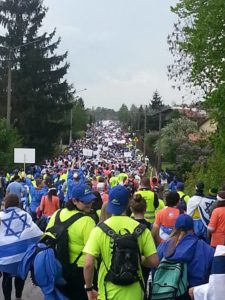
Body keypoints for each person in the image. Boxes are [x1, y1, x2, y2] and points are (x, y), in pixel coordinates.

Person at [83, 185, 159, 300]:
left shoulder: (99, 230)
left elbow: (88, 264)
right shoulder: (142, 229)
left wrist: (89, 288)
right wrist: (140, 259)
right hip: (135, 292)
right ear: (128, 203)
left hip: (107, 293)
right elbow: (154, 262)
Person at [46, 183, 97, 300]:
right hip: (80, 273)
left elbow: (47, 236)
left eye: (91, 201)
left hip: (57, 269)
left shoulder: (57, 213)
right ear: (74, 201)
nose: (90, 204)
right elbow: (93, 254)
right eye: (86, 202)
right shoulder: (87, 221)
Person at [0, 193, 42, 300]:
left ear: (6, 203)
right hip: (23, 256)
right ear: (18, 203)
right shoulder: (25, 215)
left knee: (6, 278)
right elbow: (36, 233)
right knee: (20, 276)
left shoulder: (1, 216)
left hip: (6, 257)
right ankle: (18, 297)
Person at [157, 214, 214, 290]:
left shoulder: (164, 246)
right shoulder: (205, 248)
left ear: (175, 227)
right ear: (192, 228)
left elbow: (155, 268)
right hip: (194, 292)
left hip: (166, 292)